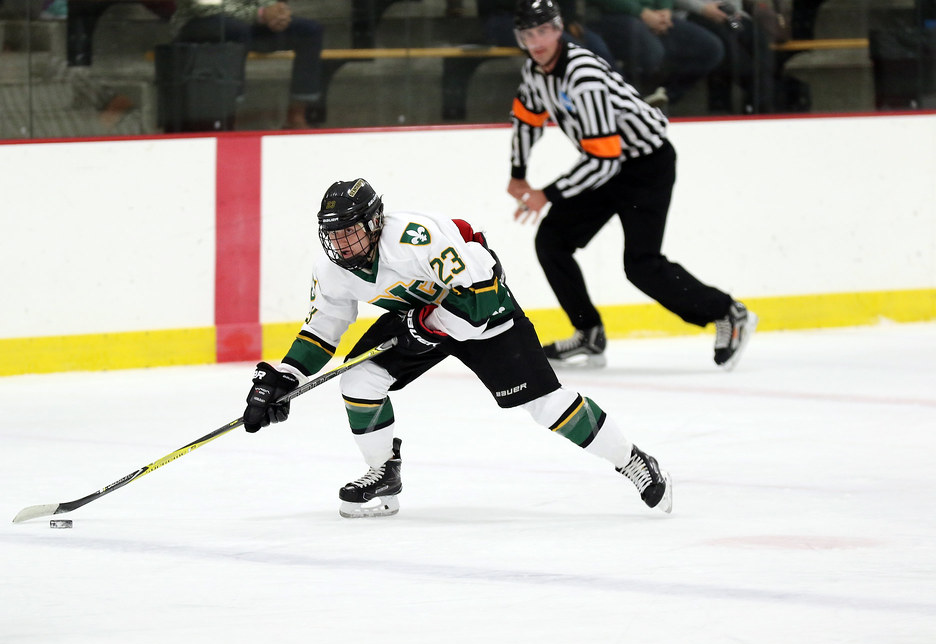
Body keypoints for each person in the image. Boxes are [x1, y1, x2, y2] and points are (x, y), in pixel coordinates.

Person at [241, 178, 673, 519]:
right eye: (333, 236)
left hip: (482, 313)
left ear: (374, 223)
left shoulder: (416, 238)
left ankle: (632, 460)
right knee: (359, 379)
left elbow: (481, 298)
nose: (341, 246)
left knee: (546, 405)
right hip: (420, 316)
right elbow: (323, 330)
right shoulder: (332, 267)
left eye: (350, 233)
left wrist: (429, 325)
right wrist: (285, 377)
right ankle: (384, 472)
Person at [506, 0, 756, 369]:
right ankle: (589, 334)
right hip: (611, 166)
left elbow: (604, 159)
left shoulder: (582, 75)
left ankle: (728, 312)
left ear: (558, 29)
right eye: (529, 35)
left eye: (543, 31)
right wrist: (518, 173)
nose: (537, 41)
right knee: (552, 241)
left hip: (645, 167)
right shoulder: (535, 71)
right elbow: (528, 118)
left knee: (641, 264)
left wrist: (548, 194)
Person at [171, 0, 324, 128]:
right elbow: (204, 7)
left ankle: (296, 116)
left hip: (247, 23)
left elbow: (266, 4)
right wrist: (261, 14)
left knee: (310, 30)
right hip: (198, 23)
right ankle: (230, 118)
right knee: (237, 29)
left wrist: (277, 13)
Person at [583, 0, 724, 106]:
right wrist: (642, 13)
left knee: (710, 49)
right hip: (611, 15)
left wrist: (665, 10)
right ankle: (630, 100)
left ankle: (662, 95)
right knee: (651, 51)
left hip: (655, 15)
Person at [478, 0, 616, 68]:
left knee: (596, 45)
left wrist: (568, 20)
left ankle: (616, 98)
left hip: (546, 19)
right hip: (506, 20)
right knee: (572, 48)